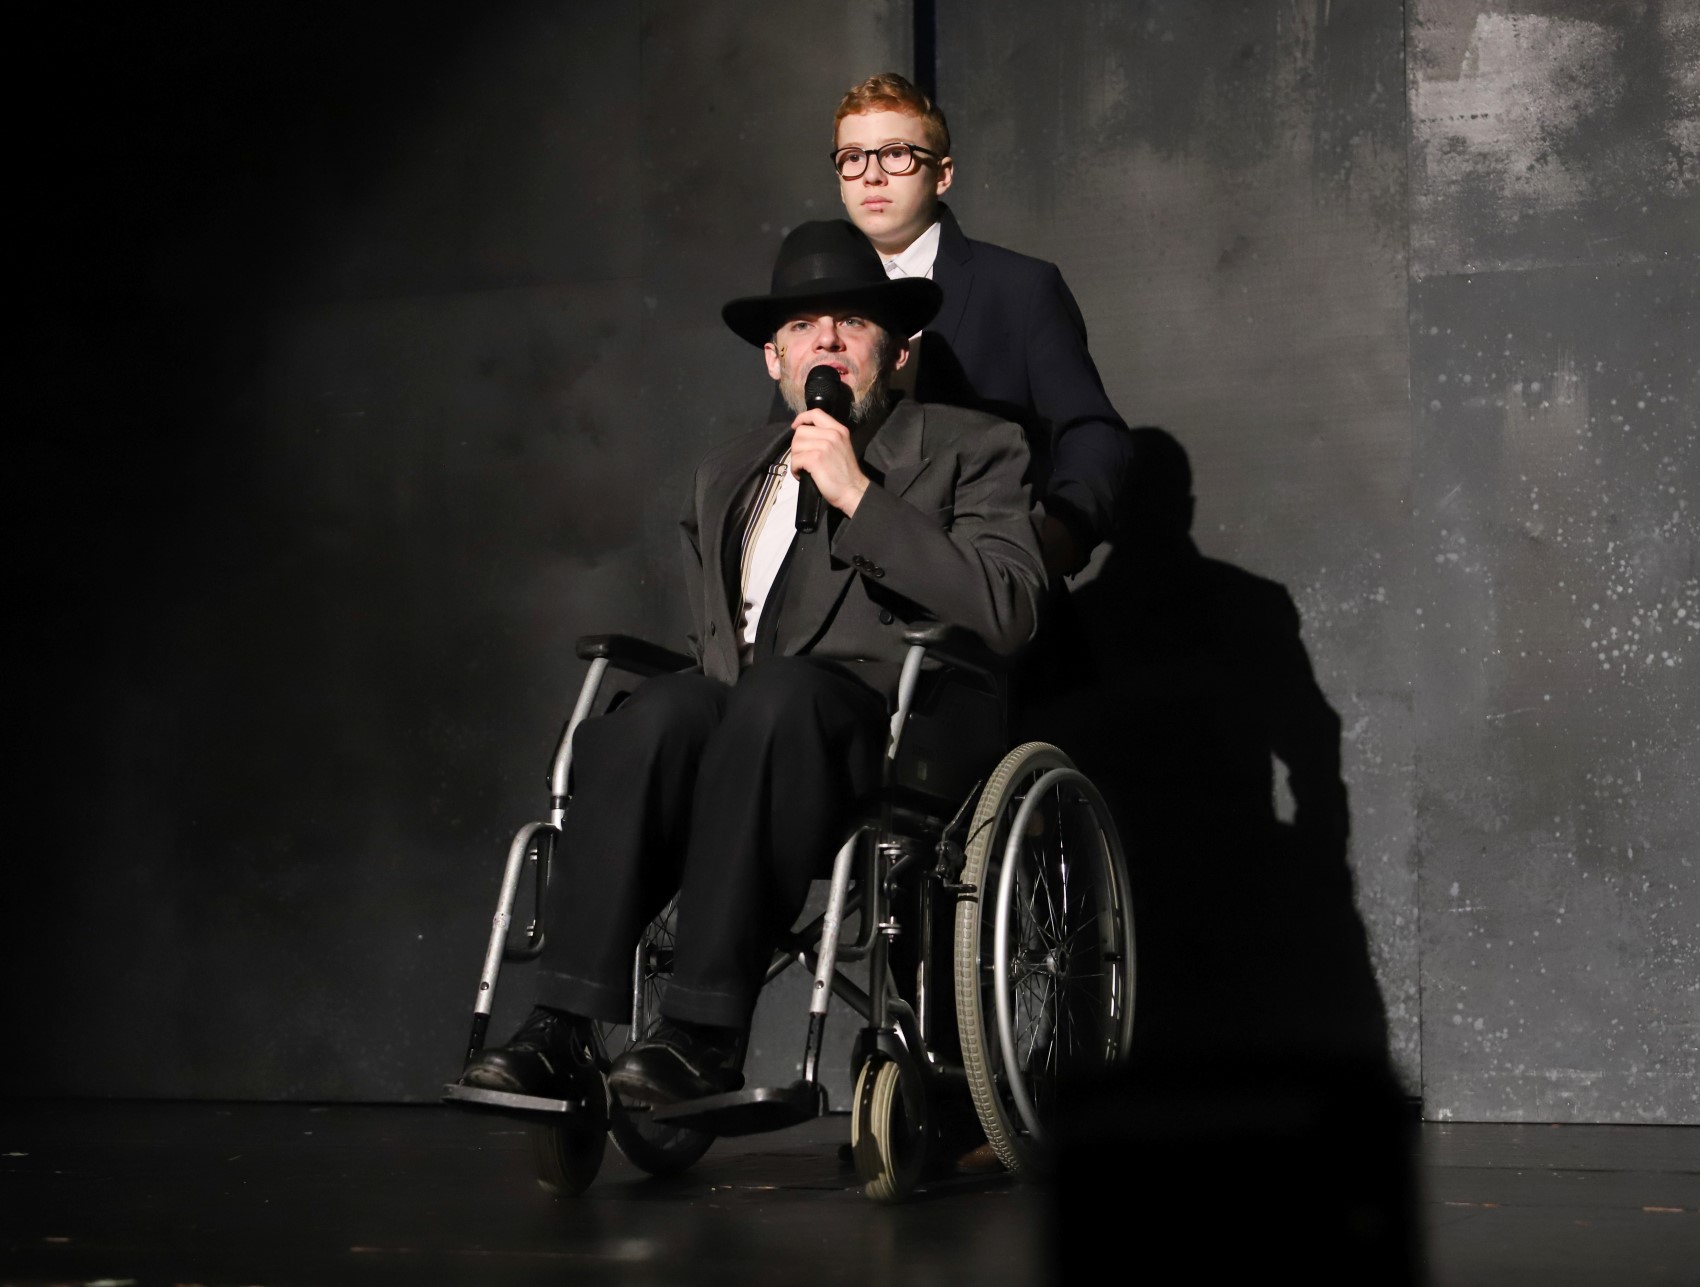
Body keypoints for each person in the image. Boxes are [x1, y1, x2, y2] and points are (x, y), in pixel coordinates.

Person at [459, 219, 1046, 1110]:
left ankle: (701, 1034)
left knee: (777, 701)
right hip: (747, 721)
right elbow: (715, 645)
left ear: (896, 352)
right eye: (804, 327)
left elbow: (1009, 608)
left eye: (852, 323)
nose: (828, 341)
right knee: (651, 718)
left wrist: (859, 495)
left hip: (884, 727)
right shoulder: (728, 472)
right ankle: (561, 1028)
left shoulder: (973, 447)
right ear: (775, 359)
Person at [828, 72, 1132, 580]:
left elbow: (1092, 432)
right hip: (845, 584)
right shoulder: (816, 304)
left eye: (896, 154)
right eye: (853, 157)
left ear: (943, 174)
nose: (872, 176)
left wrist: (1059, 538)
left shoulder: (1019, 287)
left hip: (977, 582)